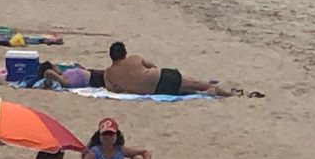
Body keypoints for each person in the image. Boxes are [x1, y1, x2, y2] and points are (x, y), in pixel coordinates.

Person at [104, 41, 236, 97]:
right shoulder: (134, 58)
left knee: (185, 90)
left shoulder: (109, 74)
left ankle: (205, 93)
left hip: (155, 91)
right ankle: (227, 94)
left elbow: (113, 90)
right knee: (198, 84)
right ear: (124, 53)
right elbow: (153, 65)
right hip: (161, 77)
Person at [38, 62, 105, 89]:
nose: (57, 67)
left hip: (93, 74)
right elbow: (48, 72)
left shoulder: (63, 74)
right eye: (54, 66)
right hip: (94, 79)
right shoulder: (62, 80)